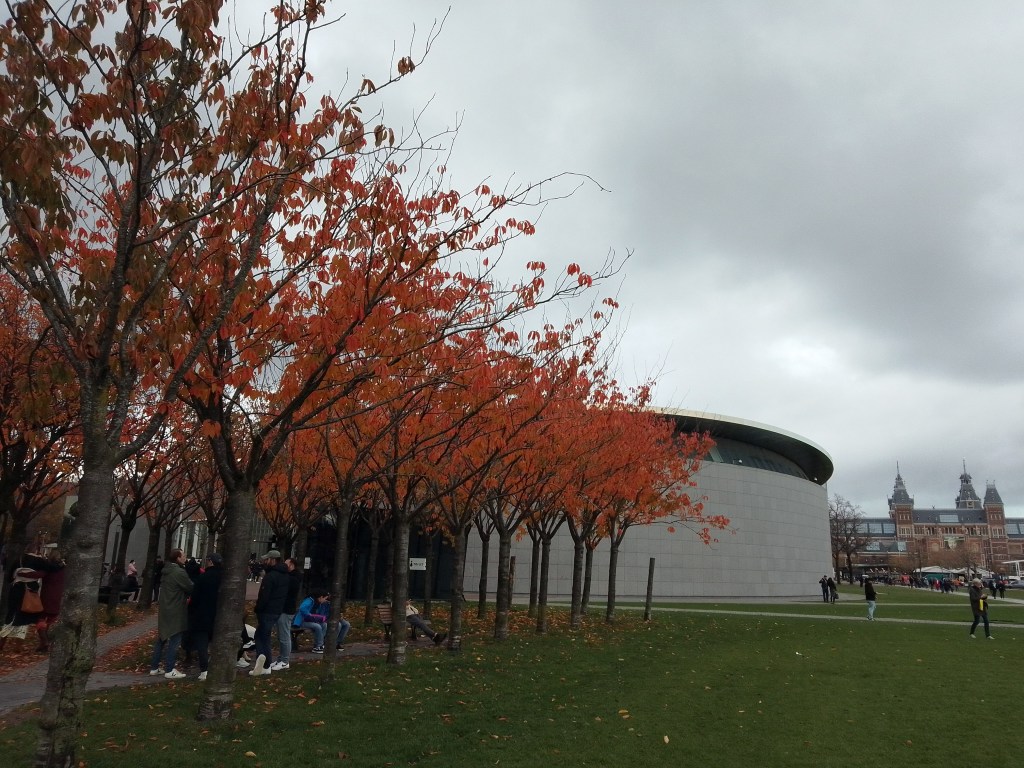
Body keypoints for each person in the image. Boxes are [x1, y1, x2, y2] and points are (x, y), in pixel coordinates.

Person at [148, 548, 193, 679]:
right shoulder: (179, 572)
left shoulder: (166, 571)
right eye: (183, 555)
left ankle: (154, 667)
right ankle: (170, 669)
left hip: (165, 608)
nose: (185, 557)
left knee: (161, 638)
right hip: (176, 609)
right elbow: (190, 587)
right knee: (175, 639)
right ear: (178, 558)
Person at [251, 549, 289, 676]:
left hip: (267, 610)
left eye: (267, 559)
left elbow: (264, 596)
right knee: (263, 635)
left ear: (272, 560)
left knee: (262, 637)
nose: (265, 561)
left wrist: (258, 608)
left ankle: (265, 664)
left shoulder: (271, 576)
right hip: (276, 610)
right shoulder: (285, 575)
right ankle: (265, 663)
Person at [187, 553, 223, 681]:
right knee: (217, 642)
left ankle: (204, 670)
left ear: (210, 562)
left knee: (202, 643)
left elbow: (195, 597)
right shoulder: (225, 577)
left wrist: (191, 610)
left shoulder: (203, 577)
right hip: (219, 614)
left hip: (202, 614)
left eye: (207, 560)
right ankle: (218, 665)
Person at [22, 547, 66, 651]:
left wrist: (21, 574)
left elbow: (39, 575)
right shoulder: (64, 568)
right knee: (51, 619)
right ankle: (43, 644)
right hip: (59, 596)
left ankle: (44, 641)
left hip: (47, 595)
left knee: (39, 618)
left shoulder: (48, 567)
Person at [272, 557, 302, 671]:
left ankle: (285, 660)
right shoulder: (291, 577)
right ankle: (281, 659)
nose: (284, 565)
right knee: (282, 636)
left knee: (284, 636)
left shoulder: (293, 579)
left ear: (292, 565)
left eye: (286, 563)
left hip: (287, 610)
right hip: (284, 609)